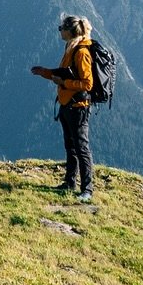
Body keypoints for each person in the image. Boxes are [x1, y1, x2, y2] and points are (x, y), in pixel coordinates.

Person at [31, 15, 95, 201]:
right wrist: (45, 72)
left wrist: (64, 83)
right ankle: (70, 182)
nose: (59, 30)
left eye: (61, 28)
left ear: (70, 30)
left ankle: (87, 190)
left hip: (78, 107)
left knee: (81, 147)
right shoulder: (70, 48)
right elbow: (63, 73)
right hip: (67, 105)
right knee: (71, 146)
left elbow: (87, 84)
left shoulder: (81, 52)